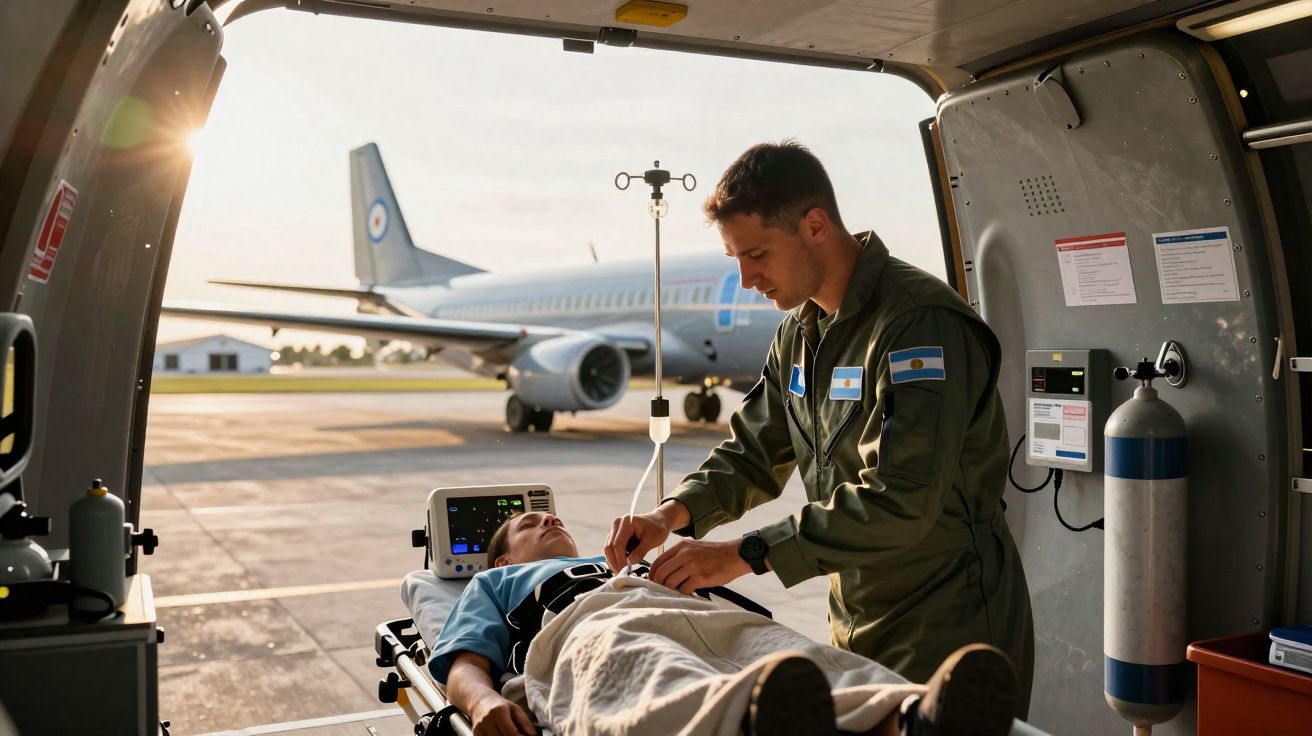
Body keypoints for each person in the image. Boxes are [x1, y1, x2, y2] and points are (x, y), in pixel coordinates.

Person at [604, 141, 1034, 713]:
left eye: (755, 254)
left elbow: (902, 499)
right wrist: (672, 514)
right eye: (736, 258)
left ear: (814, 226)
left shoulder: (917, 327)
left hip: (948, 620)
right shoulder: (801, 334)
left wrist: (745, 553)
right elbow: (753, 450)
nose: (745, 278)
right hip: (858, 612)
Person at [431, 510, 1019, 736]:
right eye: (533, 521)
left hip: (704, 613)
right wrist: (481, 704)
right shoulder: (497, 583)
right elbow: (463, 662)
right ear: (505, 557)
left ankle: (916, 714)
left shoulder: (620, 557)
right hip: (591, 627)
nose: (550, 516)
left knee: (793, 654)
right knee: (647, 673)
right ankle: (752, 722)